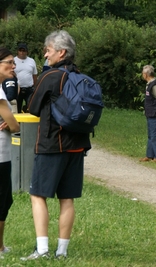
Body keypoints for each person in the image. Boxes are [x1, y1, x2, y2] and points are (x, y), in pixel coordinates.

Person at [21, 30, 91, 260]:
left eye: (48, 50)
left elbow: (32, 106)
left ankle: (42, 250)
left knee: (37, 194)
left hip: (52, 144)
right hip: (78, 146)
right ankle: (62, 251)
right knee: (66, 198)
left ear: (61, 52)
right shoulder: (80, 76)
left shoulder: (51, 76)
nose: (45, 54)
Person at [0, 48, 21, 257]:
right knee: (2, 200)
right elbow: (14, 125)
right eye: (9, 62)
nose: (13, 66)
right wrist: (13, 124)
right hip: (0, 154)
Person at [14, 43, 38, 113]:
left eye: (24, 50)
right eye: (20, 50)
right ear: (17, 51)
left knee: (31, 108)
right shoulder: (13, 60)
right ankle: (17, 123)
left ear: (27, 51)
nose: (22, 52)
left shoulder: (31, 61)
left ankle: (29, 123)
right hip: (17, 89)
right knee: (17, 109)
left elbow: (34, 75)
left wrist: (35, 87)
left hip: (29, 89)